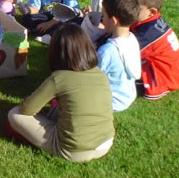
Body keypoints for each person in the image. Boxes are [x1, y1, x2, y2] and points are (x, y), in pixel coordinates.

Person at [7, 23, 114, 162]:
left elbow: (26, 109)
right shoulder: (100, 73)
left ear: (56, 52)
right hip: (106, 143)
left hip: (73, 150)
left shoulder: (59, 78)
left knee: (14, 114)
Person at [131, 0, 179, 100]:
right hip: (163, 71)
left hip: (161, 79)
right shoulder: (151, 22)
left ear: (152, 12)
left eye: (136, 8)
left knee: (118, 76)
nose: (130, 10)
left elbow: (124, 52)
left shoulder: (148, 34)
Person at [97, 0, 142, 112]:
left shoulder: (107, 51)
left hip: (111, 101)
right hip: (127, 96)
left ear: (114, 21)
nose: (102, 19)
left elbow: (92, 77)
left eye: (104, 15)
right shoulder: (131, 39)